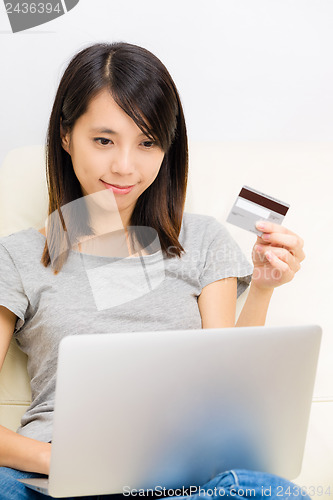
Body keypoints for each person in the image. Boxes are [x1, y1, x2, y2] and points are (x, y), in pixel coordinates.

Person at [0, 42, 306, 499]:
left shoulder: (201, 241)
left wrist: (262, 288)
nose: (125, 167)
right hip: (52, 478)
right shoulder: (19, 256)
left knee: (271, 491)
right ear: (65, 135)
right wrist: (62, 460)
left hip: (181, 481)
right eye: (104, 140)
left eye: (147, 142)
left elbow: (226, 390)